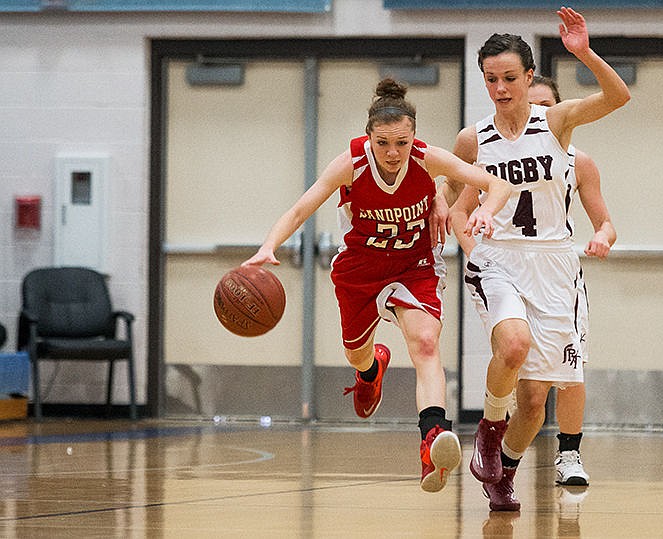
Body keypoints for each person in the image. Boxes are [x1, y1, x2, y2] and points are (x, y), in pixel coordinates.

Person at [243, 77, 511, 493]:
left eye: (401, 142)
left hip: (414, 264)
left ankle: (432, 438)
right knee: (355, 351)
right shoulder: (350, 164)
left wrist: (487, 211)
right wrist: (267, 246)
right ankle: (371, 370)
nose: (392, 152)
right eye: (383, 142)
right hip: (360, 268)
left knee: (425, 343)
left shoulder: (427, 159)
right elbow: (301, 209)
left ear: (413, 137)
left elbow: (496, 184)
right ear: (369, 136)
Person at [448, 7, 630, 511]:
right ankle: (487, 425)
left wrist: (584, 53)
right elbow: (456, 211)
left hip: (554, 264)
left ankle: (504, 469)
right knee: (512, 346)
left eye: (510, 78)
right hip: (499, 260)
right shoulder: (472, 140)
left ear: (530, 77)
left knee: (534, 399)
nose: (501, 88)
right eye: (490, 80)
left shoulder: (556, 120)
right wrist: (476, 248)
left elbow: (619, 97)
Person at [529, 75, 616, 487]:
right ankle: (504, 438)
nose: (541, 114)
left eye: (547, 105)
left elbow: (606, 223)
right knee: (518, 365)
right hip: (512, 271)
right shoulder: (495, 153)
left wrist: (601, 235)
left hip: (559, 274)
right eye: (533, 107)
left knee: (570, 368)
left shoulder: (578, 161)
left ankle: (569, 453)